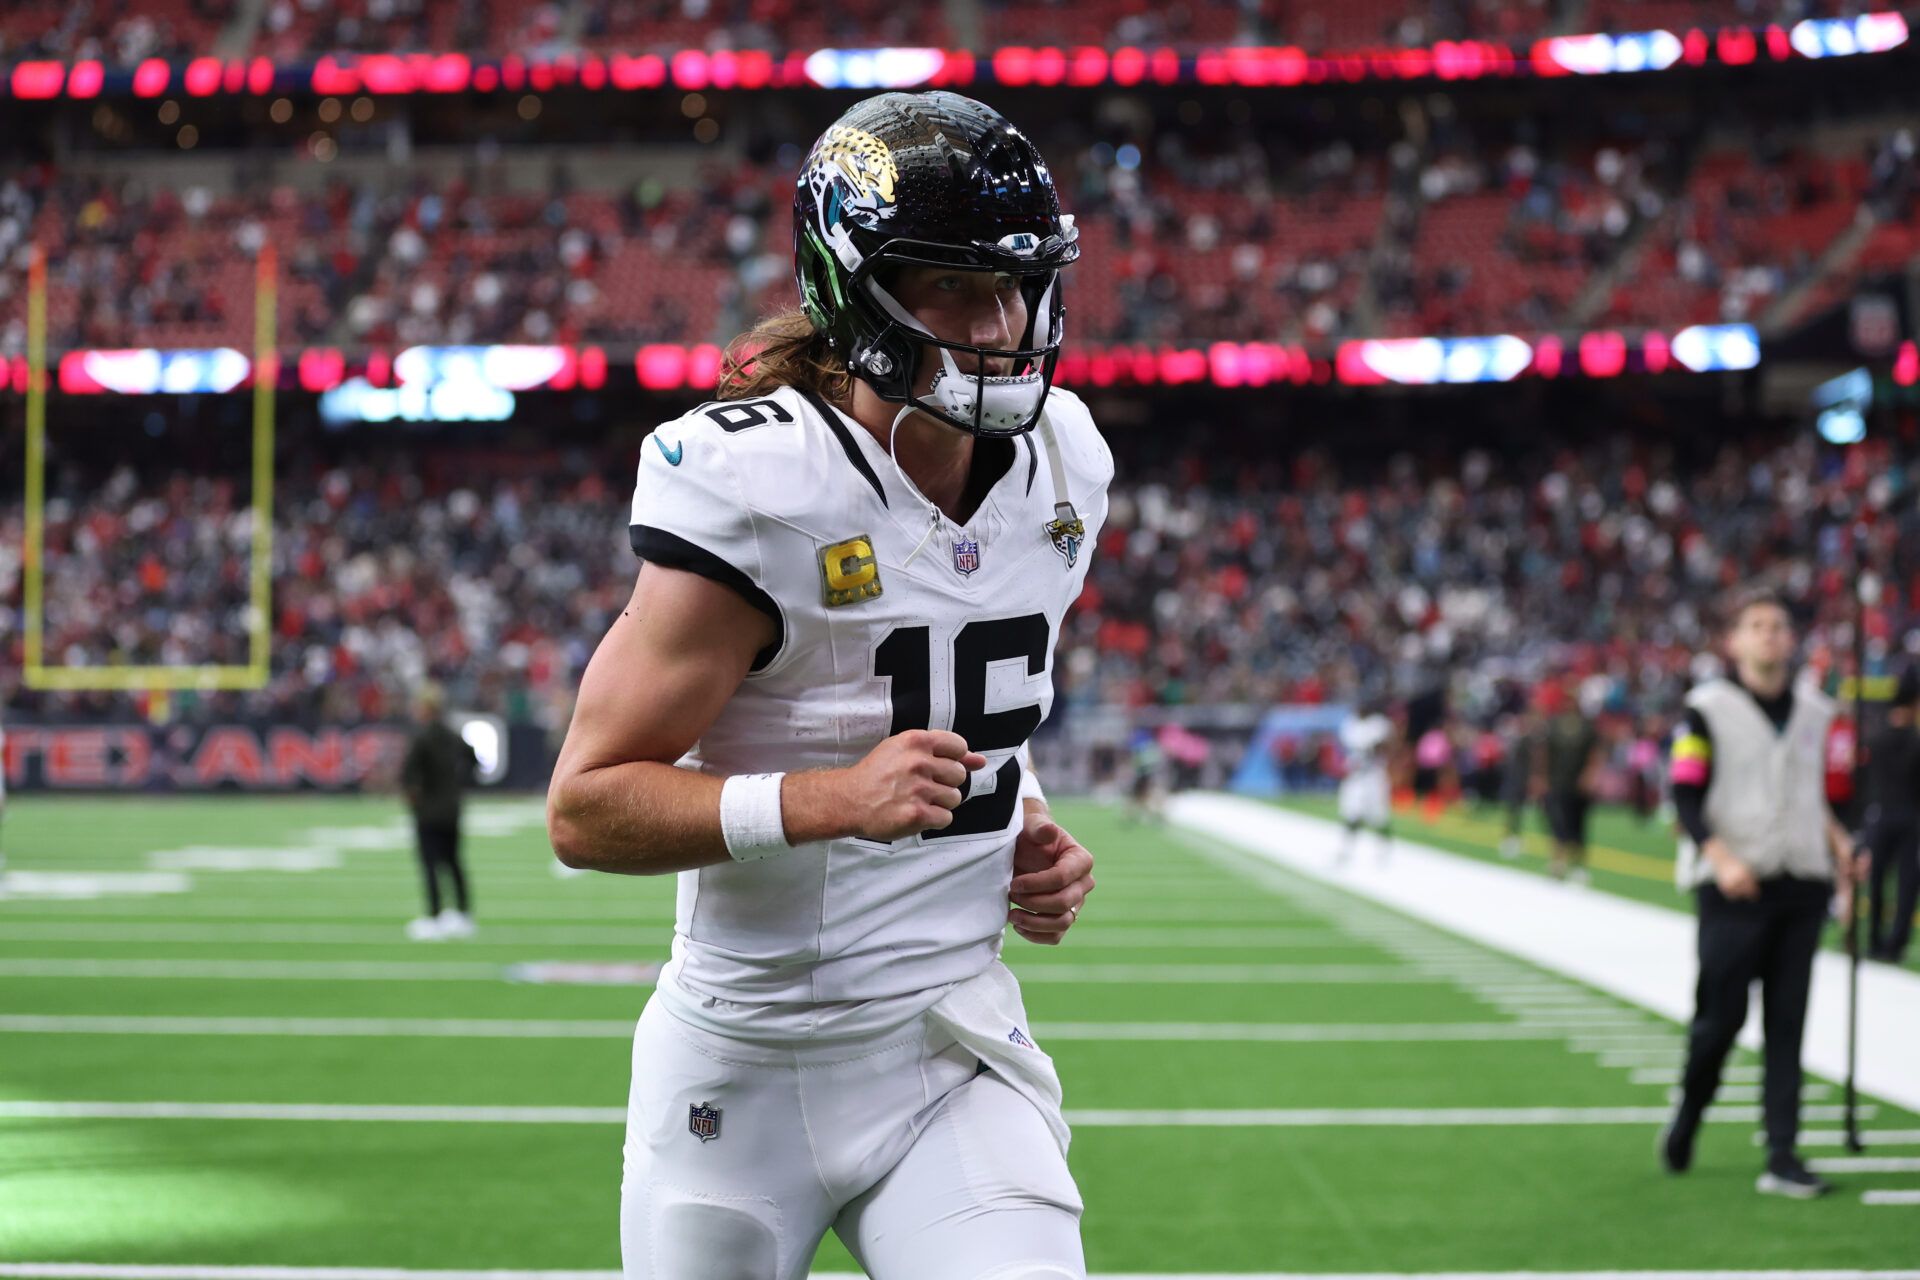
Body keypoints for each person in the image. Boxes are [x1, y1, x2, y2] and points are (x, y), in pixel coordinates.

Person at [546, 91, 1107, 1279]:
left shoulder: (1066, 464)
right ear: (857, 291)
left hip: (948, 1043)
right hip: (744, 1066)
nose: (998, 320)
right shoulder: (759, 484)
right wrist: (819, 800)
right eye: (951, 284)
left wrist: (1025, 813)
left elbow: (954, 686)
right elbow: (585, 806)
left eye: (1014, 284)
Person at [1659, 592, 1860, 1198]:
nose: (1770, 635)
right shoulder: (1705, 712)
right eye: (1757, 626)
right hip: (1734, 887)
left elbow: (1818, 795)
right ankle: (1690, 1112)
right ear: (1735, 641)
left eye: (1779, 626)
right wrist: (1719, 858)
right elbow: (1684, 794)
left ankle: (1782, 1152)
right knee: (1719, 1020)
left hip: (1801, 882)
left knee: (1787, 1023)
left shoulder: (1816, 713)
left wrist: (1842, 850)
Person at [399, 683, 478, 941]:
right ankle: (463, 914)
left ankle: (434, 916)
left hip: (429, 811)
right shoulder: (451, 734)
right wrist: (460, 784)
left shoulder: (421, 737)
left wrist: (415, 800)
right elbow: (474, 759)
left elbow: (408, 776)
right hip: (452, 808)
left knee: (430, 864)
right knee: (454, 862)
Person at [1862, 670, 1920, 964]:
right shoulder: (1915, 740)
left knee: (1877, 880)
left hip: (1880, 815)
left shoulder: (1876, 737)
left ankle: (1873, 940)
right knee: (1907, 885)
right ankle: (1894, 945)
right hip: (1910, 819)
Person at [1537, 678, 1601, 883]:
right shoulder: (1554, 724)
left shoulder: (1586, 726)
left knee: (1579, 825)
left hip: (1579, 784)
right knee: (1558, 823)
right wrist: (1542, 778)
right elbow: (1545, 753)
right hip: (1558, 781)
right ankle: (1558, 862)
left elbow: (1594, 754)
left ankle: (1578, 865)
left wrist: (1590, 776)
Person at [1336, 701, 1394, 863]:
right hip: (1356, 776)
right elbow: (1345, 746)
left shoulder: (1379, 724)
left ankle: (1384, 851)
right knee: (1351, 813)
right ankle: (1345, 850)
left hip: (1374, 775)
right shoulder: (1350, 724)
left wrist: (1375, 747)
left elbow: (1387, 744)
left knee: (1379, 816)